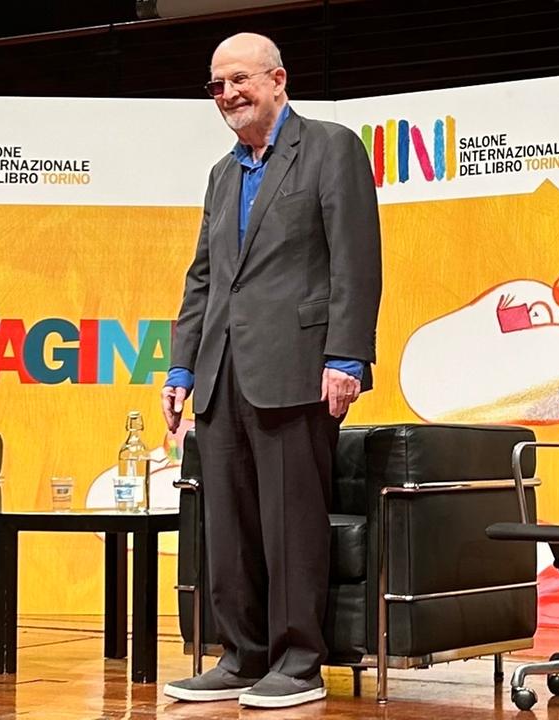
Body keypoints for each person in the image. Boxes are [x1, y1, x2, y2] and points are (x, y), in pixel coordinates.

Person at [160, 33, 382, 709]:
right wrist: (180, 365)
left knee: (291, 524)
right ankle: (240, 654)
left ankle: (298, 662)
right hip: (221, 372)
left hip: (296, 367)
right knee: (227, 527)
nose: (227, 94)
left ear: (278, 80)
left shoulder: (330, 147)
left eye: (239, 80)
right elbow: (205, 278)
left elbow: (355, 259)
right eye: (216, 85)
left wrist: (346, 357)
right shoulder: (223, 174)